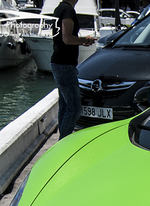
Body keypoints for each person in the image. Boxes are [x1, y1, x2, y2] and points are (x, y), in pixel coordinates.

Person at [51, 0, 96, 139]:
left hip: (59, 63)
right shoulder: (68, 10)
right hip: (65, 65)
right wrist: (85, 40)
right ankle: (63, 143)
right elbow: (67, 39)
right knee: (75, 109)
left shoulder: (59, 9)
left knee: (64, 107)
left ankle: (61, 141)